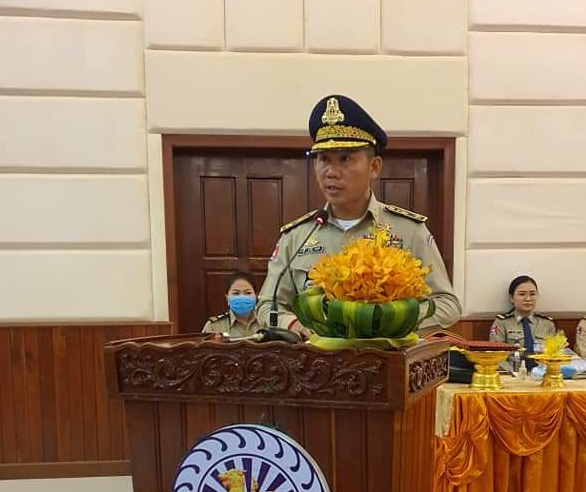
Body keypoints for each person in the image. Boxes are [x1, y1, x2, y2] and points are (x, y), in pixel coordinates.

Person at [256, 94, 461, 336]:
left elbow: (447, 305)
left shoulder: (408, 231)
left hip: (386, 358)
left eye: (345, 159)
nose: (331, 172)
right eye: (323, 159)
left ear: (374, 167)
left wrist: (391, 322)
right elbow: (267, 306)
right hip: (314, 356)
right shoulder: (297, 236)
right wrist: (297, 327)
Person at [489, 275, 556, 353]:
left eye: (532, 294)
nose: (528, 299)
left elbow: (554, 354)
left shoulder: (547, 324)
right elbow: (496, 354)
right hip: (512, 361)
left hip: (541, 361)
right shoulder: (501, 323)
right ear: (511, 298)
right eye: (522, 294)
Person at [202, 271, 260, 338]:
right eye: (236, 293)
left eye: (248, 293)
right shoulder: (213, 326)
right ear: (227, 297)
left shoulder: (266, 321)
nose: (242, 297)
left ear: (256, 295)